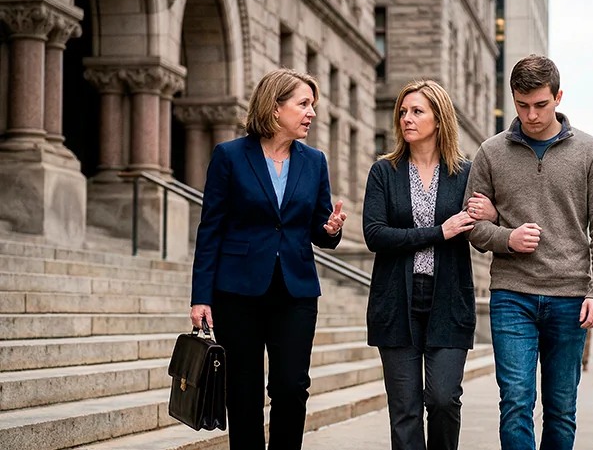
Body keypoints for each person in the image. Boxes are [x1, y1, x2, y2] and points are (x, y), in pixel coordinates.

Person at [463, 54, 593, 450]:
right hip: (512, 295)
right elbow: (473, 225)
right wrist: (507, 239)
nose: (531, 115)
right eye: (522, 105)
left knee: (561, 407)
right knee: (515, 402)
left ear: (558, 97)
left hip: (570, 297)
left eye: (541, 105)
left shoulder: (590, 151)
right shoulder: (491, 152)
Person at [189, 68, 347, 449]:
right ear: (275, 108)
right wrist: (201, 296)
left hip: (295, 292)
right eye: (303, 104)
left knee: (292, 387)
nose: (311, 113)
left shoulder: (315, 161)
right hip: (237, 292)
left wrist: (331, 229)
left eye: (313, 105)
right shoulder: (229, 156)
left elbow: (317, 230)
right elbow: (210, 229)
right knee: (242, 392)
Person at [362, 80, 497, 450]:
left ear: (439, 119)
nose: (407, 118)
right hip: (395, 301)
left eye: (417, 111)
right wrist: (439, 231)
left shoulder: (465, 174)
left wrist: (492, 214)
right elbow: (375, 234)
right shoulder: (384, 172)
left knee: (442, 400)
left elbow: (482, 234)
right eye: (403, 112)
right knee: (404, 409)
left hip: (449, 300)